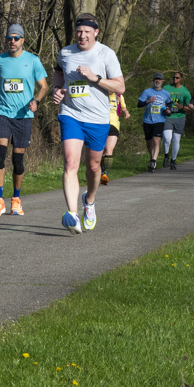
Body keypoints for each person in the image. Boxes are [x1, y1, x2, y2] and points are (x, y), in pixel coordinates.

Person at [52, 13, 124, 234]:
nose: (82, 36)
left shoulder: (106, 54)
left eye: (86, 32)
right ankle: (72, 214)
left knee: (93, 167)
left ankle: (89, 201)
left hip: (98, 119)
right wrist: (57, 90)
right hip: (71, 114)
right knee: (70, 162)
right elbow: (57, 72)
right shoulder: (65, 52)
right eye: (79, 31)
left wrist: (95, 78)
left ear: (96, 32)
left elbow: (120, 88)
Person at [0, 24, 49, 215]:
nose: (11, 41)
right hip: (3, 112)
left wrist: (36, 100)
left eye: (15, 38)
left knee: (18, 159)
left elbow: (44, 86)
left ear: (22, 40)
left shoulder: (33, 60)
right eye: (9, 38)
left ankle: (16, 199)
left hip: (23, 115)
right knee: (0, 154)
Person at [137, 72, 172, 172]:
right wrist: (148, 101)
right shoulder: (147, 92)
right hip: (147, 120)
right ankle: (151, 157)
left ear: (162, 81)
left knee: (156, 141)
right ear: (153, 80)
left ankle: (153, 161)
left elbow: (170, 104)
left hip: (160, 119)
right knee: (149, 142)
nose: (157, 81)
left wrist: (168, 110)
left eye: (159, 79)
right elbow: (139, 104)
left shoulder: (166, 93)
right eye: (156, 79)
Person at [162, 71, 191, 170]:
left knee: (176, 140)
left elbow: (190, 108)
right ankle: (166, 155)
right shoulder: (166, 88)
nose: (175, 79)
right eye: (174, 77)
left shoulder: (185, 92)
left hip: (179, 117)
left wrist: (181, 106)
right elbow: (161, 99)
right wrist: (165, 107)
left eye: (177, 78)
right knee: (166, 138)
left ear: (181, 79)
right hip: (168, 117)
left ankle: (173, 161)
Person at [100, 91, 129, 184]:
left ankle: (105, 174)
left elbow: (123, 107)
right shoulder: (100, 93)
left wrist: (126, 112)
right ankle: (99, 172)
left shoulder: (118, 96)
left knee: (109, 149)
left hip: (114, 125)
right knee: (100, 151)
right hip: (100, 124)